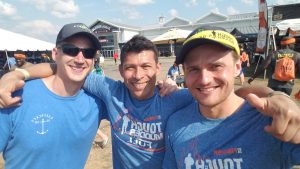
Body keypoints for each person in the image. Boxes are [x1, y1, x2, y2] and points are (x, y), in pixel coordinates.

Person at [1, 35, 300, 169]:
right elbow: (62, 67)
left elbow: (228, 94)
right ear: (119, 70)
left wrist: (274, 95)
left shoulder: (178, 98)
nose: (138, 75)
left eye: (146, 67)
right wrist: (19, 72)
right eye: (130, 67)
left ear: (159, 68)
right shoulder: (109, 90)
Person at [163, 26, 300, 169]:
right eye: (194, 69)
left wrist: (281, 98)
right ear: (184, 72)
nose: (204, 80)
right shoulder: (175, 123)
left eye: (216, 66)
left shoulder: (273, 121)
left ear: (237, 67)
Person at [0, 23, 107, 169]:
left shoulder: (97, 101)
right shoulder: (13, 97)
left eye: (88, 53)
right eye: (71, 50)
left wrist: (20, 73)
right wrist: (17, 74)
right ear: (55, 54)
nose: (80, 59)